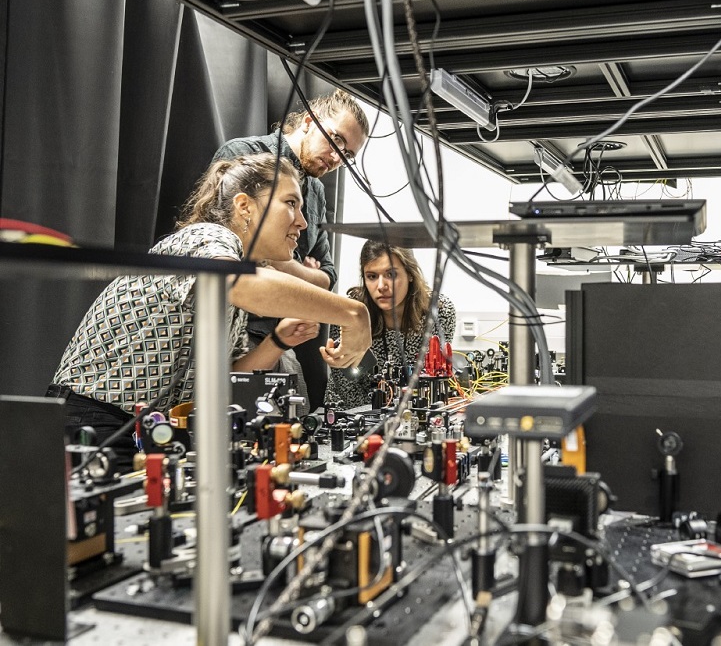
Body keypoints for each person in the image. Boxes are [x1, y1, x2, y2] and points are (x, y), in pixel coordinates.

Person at [50, 153, 371, 456]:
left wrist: (279, 340)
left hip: (140, 428)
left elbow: (228, 376)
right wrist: (353, 312)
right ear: (244, 206)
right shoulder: (205, 237)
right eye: (290, 203)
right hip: (91, 419)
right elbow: (243, 283)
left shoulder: (231, 271)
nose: (302, 222)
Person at [213, 89, 370, 409]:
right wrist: (299, 270)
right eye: (336, 140)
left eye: (348, 155)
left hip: (283, 337)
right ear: (310, 122)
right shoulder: (247, 156)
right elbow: (237, 260)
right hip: (232, 333)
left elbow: (327, 275)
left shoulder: (316, 190)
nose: (338, 158)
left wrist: (281, 263)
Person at [325, 241, 456, 410]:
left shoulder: (439, 312)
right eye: (372, 276)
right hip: (349, 414)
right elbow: (349, 390)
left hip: (414, 412)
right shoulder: (349, 314)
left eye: (391, 275)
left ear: (410, 274)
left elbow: (433, 379)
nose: (381, 286)